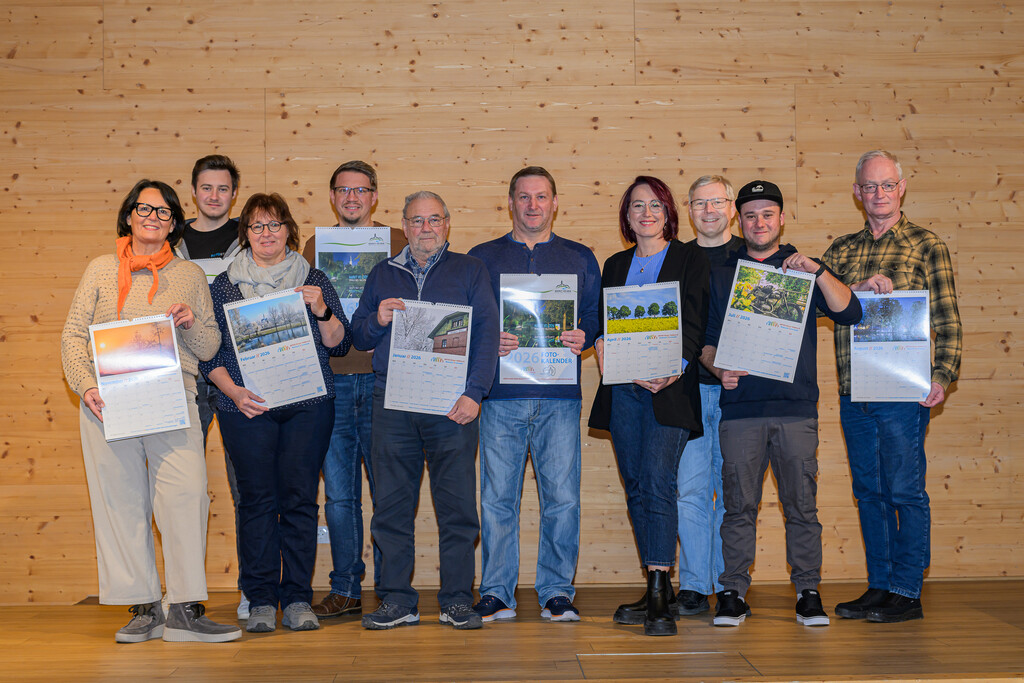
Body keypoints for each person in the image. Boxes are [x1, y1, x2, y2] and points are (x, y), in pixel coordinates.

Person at [61, 179, 241, 643]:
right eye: (145, 209)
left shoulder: (190, 276)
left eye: (164, 213)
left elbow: (209, 346)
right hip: (108, 401)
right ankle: (144, 608)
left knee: (187, 495)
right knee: (121, 503)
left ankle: (184, 608)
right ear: (128, 215)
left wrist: (191, 322)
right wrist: (85, 387)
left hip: (172, 399)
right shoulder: (101, 269)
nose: (153, 219)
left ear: (174, 224)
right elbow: (72, 336)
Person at [702, 180, 861, 628]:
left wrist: (818, 271)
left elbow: (851, 312)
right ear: (739, 219)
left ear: (781, 218)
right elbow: (706, 343)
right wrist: (718, 370)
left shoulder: (804, 268)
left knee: (802, 507)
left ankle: (808, 592)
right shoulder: (722, 274)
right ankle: (732, 592)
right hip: (741, 412)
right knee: (737, 508)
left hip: (796, 410)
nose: (759, 222)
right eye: (750, 215)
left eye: (767, 214)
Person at [201, 193, 351, 633]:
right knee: (256, 502)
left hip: (307, 407)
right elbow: (209, 353)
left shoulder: (314, 278)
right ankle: (262, 599)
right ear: (245, 234)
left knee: (300, 501)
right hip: (245, 407)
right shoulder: (225, 284)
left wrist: (320, 308)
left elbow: (339, 343)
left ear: (289, 230)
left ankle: (299, 598)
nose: (266, 234)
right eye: (256, 227)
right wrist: (234, 391)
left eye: (274, 225)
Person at [823, 150, 962, 623]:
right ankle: (880, 585)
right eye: (869, 186)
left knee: (904, 490)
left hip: (904, 393)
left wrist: (943, 375)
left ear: (901, 188)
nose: (878, 194)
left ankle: (907, 589)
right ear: (857, 193)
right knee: (869, 490)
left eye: (887, 185)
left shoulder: (927, 245)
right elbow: (817, 306)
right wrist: (855, 289)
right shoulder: (841, 251)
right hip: (855, 390)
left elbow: (946, 317)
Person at [351, 191, 498, 631]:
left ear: (447, 224)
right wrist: (377, 318)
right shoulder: (382, 273)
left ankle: (456, 600)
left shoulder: (470, 270)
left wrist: (475, 393)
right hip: (392, 403)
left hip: (451, 404)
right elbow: (358, 335)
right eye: (417, 221)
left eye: (435, 219)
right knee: (391, 508)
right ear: (404, 224)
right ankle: (398, 600)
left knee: (456, 508)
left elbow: (487, 335)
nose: (426, 228)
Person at [467, 166, 600, 623]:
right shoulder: (481, 258)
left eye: (541, 197)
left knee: (562, 498)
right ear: (510, 202)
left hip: (559, 396)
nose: (532, 205)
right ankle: (497, 592)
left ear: (555, 202)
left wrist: (585, 334)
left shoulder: (580, 258)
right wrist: (490, 338)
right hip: (499, 396)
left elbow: (596, 318)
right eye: (523, 197)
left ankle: (557, 592)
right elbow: (470, 321)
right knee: (497, 498)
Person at [588, 176, 709, 636]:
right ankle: (655, 583)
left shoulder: (688, 257)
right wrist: (601, 344)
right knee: (637, 485)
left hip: (669, 390)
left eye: (655, 205)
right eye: (637, 205)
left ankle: (661, 590)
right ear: (627, 214)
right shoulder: (615, 264)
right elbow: (604, 323)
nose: (646, 213)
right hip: (624, 391)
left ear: (668, 212)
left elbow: (694, 321)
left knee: (659, 481)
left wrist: (674, 366)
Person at [301, 160, 407, 619]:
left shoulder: (399, 243)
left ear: (374, 196)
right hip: (332, 381)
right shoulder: (312, 246)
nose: (351, 198)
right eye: (342, 190)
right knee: (340, 495)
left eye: (360, 190)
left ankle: (389, 590)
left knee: (388, 491)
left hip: (386, 380)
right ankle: (345, 588)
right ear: (332, 196)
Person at [176, 154, 249, 620]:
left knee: (247, 488)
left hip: (238, 376)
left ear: (233, 193)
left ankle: (252, 589)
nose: (215, 197)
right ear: (194, 191)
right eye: (206, 188)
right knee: (184, 488)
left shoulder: (253, 235)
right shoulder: (170, 239)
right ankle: (186, 594)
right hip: (185, 377)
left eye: (223, 189)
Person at [675, 175, 744, 616]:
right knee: (691, 490)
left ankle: (728, 585)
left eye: (717, 201)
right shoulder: (677, 259)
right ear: (689, 210)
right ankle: (696, 584)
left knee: (732, 493)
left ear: (732, 207)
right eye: (700, 203)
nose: (709, 210)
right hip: (690, 393)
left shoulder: (756, 254)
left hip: (742, 395)